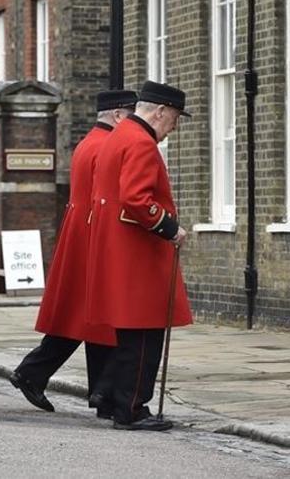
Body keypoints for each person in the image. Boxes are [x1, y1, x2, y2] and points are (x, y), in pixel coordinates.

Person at [10, 89, 138, 414]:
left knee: (86, 320)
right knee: (100, 318)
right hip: (94, 236)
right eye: (131, 114)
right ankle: (93, 390)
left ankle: (84, 387)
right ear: (119, 116)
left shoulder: (88, 142)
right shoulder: (108, 146)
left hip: (81, 232)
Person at [85, 81, 191, 431]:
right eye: (174, 119)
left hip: (118, 248)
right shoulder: (142, 143)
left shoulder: (120, 134)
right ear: (159, 111)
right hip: (138, 253)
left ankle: (113, 397)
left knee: (130, 335)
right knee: (144, 335)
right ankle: (131, 407)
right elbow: (137, 199)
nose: (173, 128)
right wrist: (170, 228)